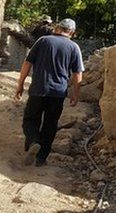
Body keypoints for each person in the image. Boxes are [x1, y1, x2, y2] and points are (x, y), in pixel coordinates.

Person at [14, 18, 84, 167]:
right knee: (50, 125)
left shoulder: (43, 41)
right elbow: (77, 74)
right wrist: (76, 94)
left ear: (57, 28)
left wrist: (20, 84)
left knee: (31, 120)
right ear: (72, 32)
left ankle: (33, 142)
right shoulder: (74, 47)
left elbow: (27, 63)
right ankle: (41, 158)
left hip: (38, 89)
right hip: (58, 93)